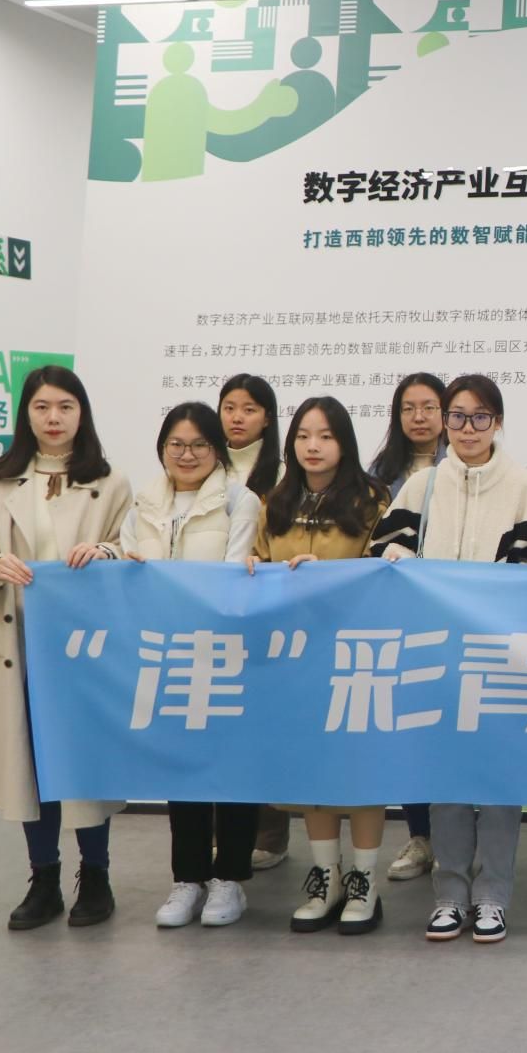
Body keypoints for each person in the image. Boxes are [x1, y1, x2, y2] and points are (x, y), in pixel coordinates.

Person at [373, 373, 527, 944]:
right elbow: (382, 552)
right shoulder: (423, 484)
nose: (467, 428)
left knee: (498, 784)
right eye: (457, 416)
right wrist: (403, 560)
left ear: (497, 422)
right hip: (435, 655)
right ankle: (449, 894)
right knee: (446, 778)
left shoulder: (523, 485)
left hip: (499, 656)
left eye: (479, 417)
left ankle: (493, 896)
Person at [0, 366, 132, 929]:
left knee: (84, 762)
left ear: (82, 413)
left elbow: (132, 548)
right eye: (41, 407)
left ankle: (96, 877)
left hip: (85, 647)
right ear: (26, 415)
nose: (53, 418)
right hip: (22, 643)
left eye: (64, 407)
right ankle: (44, 878)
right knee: (30, 764)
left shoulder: (110, 481)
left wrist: (105, 553)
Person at [111, 402, 262, 928]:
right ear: (162, 448)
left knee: (232, 767)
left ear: (217, 450)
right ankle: (188, 878)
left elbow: (233, 575)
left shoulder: (239, 500)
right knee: (182, 768)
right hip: (166, 653)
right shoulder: (143, 504)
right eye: (176, 444)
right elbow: (128, 567)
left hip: (224, 653)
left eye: (200, 444)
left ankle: (230, 879)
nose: (187, 454)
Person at [251, 397, 392, 934]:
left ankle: (364, 881)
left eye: (326, 436)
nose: (313, 446)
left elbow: (384, 572)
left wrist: (327, 575)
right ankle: (324, 877)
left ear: (344, 443)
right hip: (295, 655)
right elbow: (259, 561)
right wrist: (253, 567)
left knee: (358, 771)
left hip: (356, 653)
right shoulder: (275, 500)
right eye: (304, 435)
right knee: (311, 767)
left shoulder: (372, 499)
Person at [367, 371, 449, 885]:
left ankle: (457, 837)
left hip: (455, 621)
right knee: (411, 729)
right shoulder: (378, 476)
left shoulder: (468, 466)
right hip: (399, 620)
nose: (419, 417)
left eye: (429, 407)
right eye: (408, 408)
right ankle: (422, 835)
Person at [219, 372, 295, 872]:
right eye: (229, 407)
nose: (237, 417)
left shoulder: (284, 472)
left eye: (249, 409)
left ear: (267, 417)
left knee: (265, 723)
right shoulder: (205, 463)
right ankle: (223, 831)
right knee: (223, 722)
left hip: (268, 612)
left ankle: (270, 832)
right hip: (216, 614)